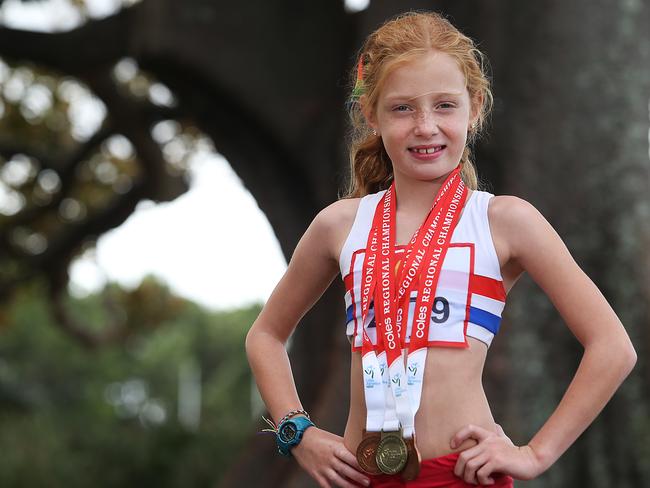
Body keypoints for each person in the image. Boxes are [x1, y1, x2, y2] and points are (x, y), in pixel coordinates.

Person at [245, 10, 637, 488]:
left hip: (461, 475)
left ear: (474, 108)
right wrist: (296, 431)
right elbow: (265, 336)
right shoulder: (340, 224)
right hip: (358, 476)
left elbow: (613, 347)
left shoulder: (504, 220)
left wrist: (536, 452)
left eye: (445, 105)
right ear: (371, 115)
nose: (425, 126)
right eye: (402, 108)